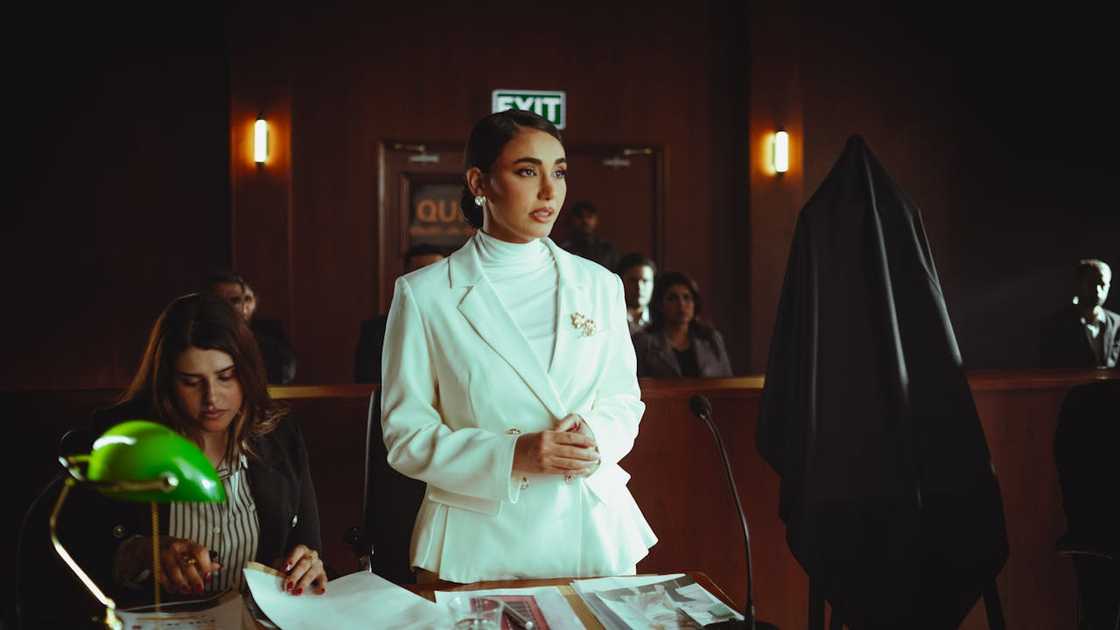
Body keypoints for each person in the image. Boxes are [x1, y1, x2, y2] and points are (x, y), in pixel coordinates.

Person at [380, 109, 656, 583]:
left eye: (559, 172)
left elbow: (624, 401)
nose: (550, 191)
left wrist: (593, 435)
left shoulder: (600, 285)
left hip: (590, 529)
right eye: (528, 171)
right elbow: (406, 437)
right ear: (479, 182)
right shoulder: (425, 294)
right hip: (476, 541)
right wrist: (514, 454)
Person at [47, 294, 326, 616]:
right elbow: (77, 551)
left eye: (225, 377)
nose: (211, 398)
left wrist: (307, 565)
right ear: (166, 381)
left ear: (247, 373)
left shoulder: (280, 434)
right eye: (191, 382)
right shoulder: (122, 438)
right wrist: (141, 552)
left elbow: (308, 546)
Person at [354, 244, 445, 383]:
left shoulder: (461, 326)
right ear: (405, 279)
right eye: (421, 275)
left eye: (436, 274)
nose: (430, 282)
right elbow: (368, 382)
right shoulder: (375, 331)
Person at [632, 271, 733, 377]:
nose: (681, 304)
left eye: (687, 297)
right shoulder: (644, 343)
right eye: (672, 298)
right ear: (660, 305)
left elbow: (727, 379)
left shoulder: (711, 338)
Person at [206, 271, 298, 384]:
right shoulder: (201, 334)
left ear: (255, 301)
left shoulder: (270, 333)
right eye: (234, 300)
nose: (243, 307)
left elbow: (284, 374)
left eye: (247, 299)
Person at [1040, 259, 1119, 368]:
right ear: (1078, 284)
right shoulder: (1057, 324)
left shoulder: (1117, 323)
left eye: (1102, 284)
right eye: (1091, 283)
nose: (1097, 290)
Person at [559, 201, 619, 270]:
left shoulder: (607, 249)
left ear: (596, 220)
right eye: (580, 217)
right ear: (571, 220)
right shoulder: (564, 249)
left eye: (589, 216)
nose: (585, 221)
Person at [616, 253, 656, 334]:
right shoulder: (611, 317)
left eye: (645, 281)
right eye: (633, 281)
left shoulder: (662, 320)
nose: (639, 287)